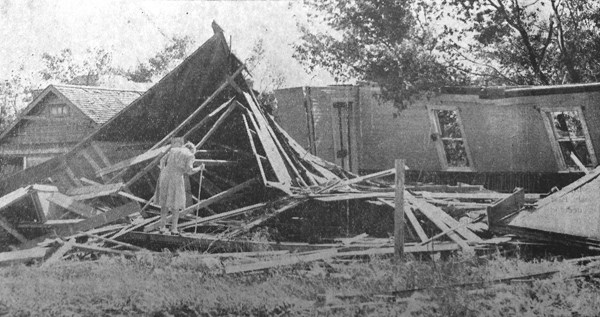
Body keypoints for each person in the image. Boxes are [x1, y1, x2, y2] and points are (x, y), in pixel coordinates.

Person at [156, 137, 204, 235]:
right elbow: (189, 171)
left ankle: (162, 227)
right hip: (176, 178)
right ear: (192, 150)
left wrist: (163, 170)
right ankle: (174, 229)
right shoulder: (190, 155)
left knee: (164, 203)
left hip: (165, 176)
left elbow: (162, 160)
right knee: (176, 204)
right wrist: (199, 168)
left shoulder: (173, 150)